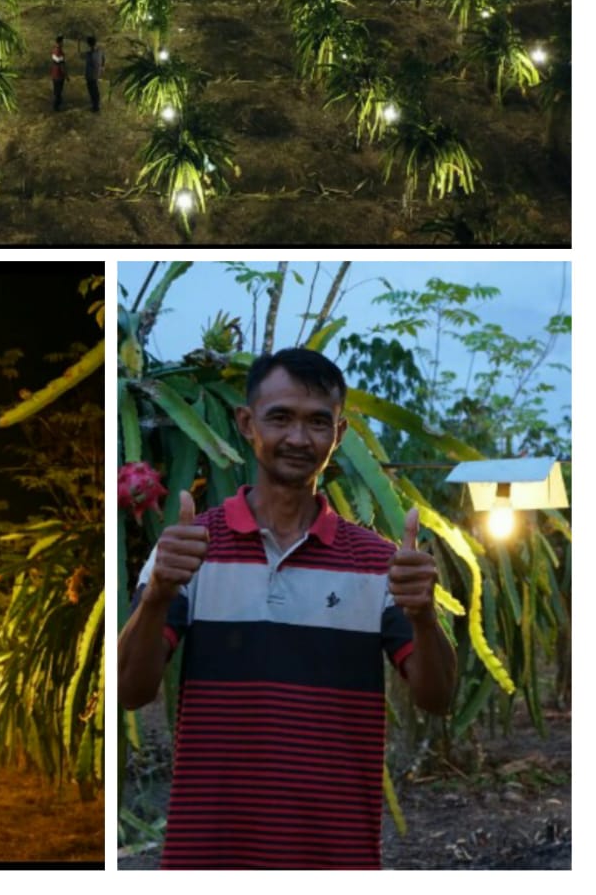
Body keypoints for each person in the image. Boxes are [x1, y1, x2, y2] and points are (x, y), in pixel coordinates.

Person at [118, 347, 457, 871]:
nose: (299, 439)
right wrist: (159, 595)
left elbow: (436, 697)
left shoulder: (379, 564)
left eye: (318, 422)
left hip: (334, 860)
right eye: (281, 418)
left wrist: (423, 616)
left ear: (338, 436)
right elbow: (127, 691)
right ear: (247, 423)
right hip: (207, 859)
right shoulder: (186, 551)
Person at [81, 35, 105, 112]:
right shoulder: (99, 51)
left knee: (92, 90)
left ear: (88, 44)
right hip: (97, 74)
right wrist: (102, 67)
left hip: (90, 75)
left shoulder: (89, 54)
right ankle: (96, 104)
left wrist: (78, 44)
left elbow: (80, 55)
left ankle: (95, 106)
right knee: (95, 89)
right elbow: (103, 58)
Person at [50, 36, 69, 111]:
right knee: (58, 91)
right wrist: (66, 75)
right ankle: (56, 106)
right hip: (59, 75)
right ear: (60, 42)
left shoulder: (54, 50)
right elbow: (61, 65)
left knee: (56, 90)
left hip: (54, 73)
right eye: (62, 42)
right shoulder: (59, 52)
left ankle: (57, 104)